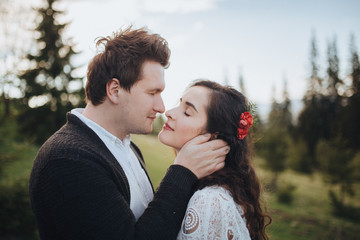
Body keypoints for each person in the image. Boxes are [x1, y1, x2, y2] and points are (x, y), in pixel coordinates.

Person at [29, 27, 229, 240]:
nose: (161, 107)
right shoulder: (68, 160)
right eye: (153, 93)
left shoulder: (128, 147)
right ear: (115, 90)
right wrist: (182, 172)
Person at [158, 80, 272, 240]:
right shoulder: (198, 187)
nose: (169, 112)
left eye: (187, 112)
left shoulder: (209, 201)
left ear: (213, 135)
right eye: (179, 103)